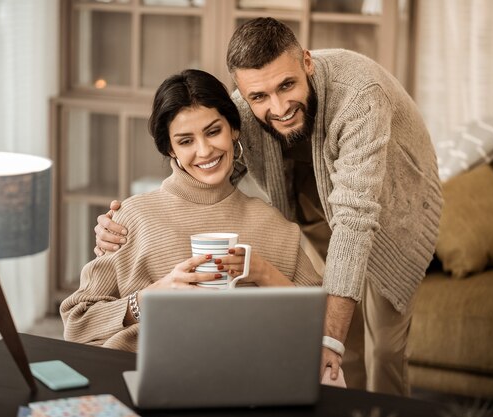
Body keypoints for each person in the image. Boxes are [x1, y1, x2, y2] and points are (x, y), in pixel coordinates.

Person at [94, 18, 442, 396]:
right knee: (349, 344)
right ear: (242, 92)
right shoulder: (243, 111)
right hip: (318, 212)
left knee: (384, 351)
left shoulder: (359, 94)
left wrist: (330, 343)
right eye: (258, 96)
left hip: (393, 213)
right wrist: (127, 220)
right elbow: (207, 166)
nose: (277, 106)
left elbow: (355, 219)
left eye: (287, 85)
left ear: (306, 62)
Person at [60, 69, 322, 354]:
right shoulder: (131, 219)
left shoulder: (272, 224)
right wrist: (149, 299)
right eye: (185, 141)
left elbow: (318, 320)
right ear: (170, 149)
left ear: (234, 129)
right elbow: (77, 325)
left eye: (213, 131)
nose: (205, 150)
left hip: (248, 383)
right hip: (145, 377)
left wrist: (262, 272)